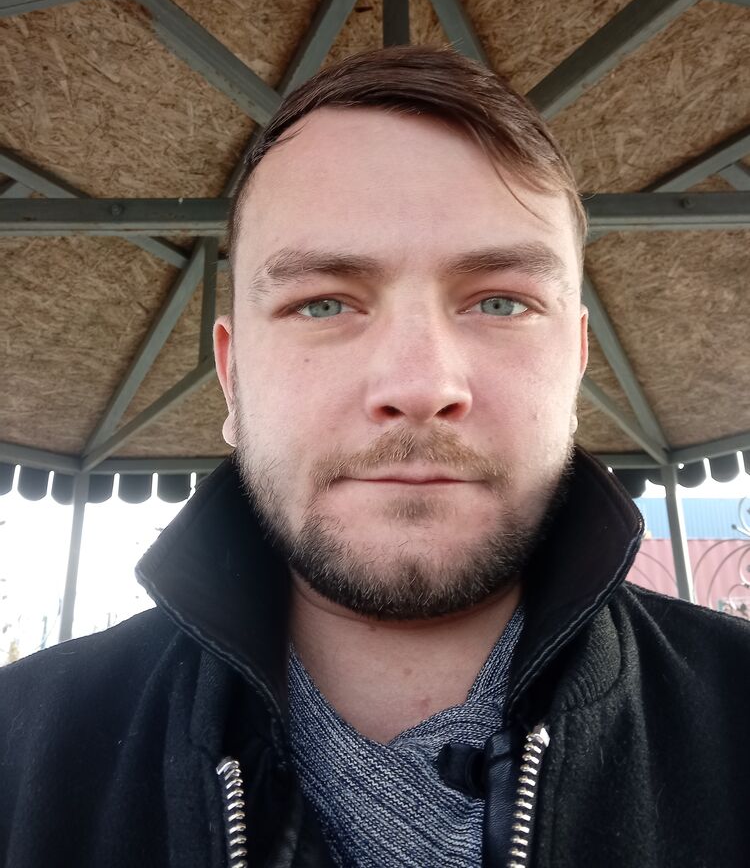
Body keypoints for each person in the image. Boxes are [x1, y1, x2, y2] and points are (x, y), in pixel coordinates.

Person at [1, 46, 749, 868]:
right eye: (324, 303)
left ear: (574, 361)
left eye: (501, 302)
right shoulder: (18, 750)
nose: (420, 385)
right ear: (233, 375)